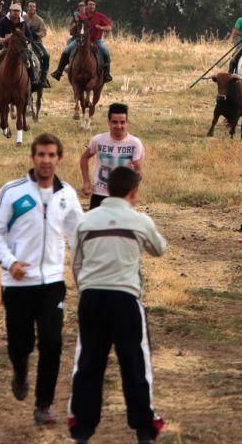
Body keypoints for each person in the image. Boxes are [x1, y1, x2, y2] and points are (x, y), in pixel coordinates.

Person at [0, 133, 83, 426]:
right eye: (41, 154)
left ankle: (43, 405)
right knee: (20, 343)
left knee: (52, 343)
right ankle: (20, 371)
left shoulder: (67, 195)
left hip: (52, 282)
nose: (46, 160)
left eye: (52, 155)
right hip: (17, 283)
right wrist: (9, 262)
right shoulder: (12, 192)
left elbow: (80, 235)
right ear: (33, 157)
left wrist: (87, 274)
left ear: (59, 159)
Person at [68, 166, 167, 444]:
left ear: (106, 188)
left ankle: (82, 427)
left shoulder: (86, 222)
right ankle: (144, 427)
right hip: (125, 299)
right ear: (134, 192)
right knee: (134, 364)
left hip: (91, 297)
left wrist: (85, 288)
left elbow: (76, 263)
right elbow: (159, 249)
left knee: (89, 362)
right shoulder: (139, 220)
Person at [80, 103, 145, 210]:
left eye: (122, 122)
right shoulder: (98, 140)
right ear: (108, 122)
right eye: (115, 122)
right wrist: (86, 181)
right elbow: (84, 158)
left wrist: (133, 191)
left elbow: (138, 171)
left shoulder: (135, 143)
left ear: (127, 122)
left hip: (123, 196)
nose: (119, 126)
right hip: (100, 194)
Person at [52, 0, 113, 83]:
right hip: (81, 41)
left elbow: (109, 28)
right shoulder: (81, 16)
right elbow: (71, 32)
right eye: (90, 4)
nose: (92, 6)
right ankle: (59, 71)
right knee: (66, 51)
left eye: (93, 5)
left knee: (106, 52)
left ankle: (106, 74)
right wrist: (75, 25)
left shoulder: (100, 16)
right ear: (86, 6)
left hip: (96, 41)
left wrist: (101, 27)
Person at [24, 1, 52, 88]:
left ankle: (43, 78)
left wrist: (36, 34)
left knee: (46, 56)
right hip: (24, 40)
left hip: (36, 42)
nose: (32, 8)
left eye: (33, 6)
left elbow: (44, 32)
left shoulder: (39, 20)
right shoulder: (22, 18)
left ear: (35, 8)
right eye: (30, 6)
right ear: (27, 8)